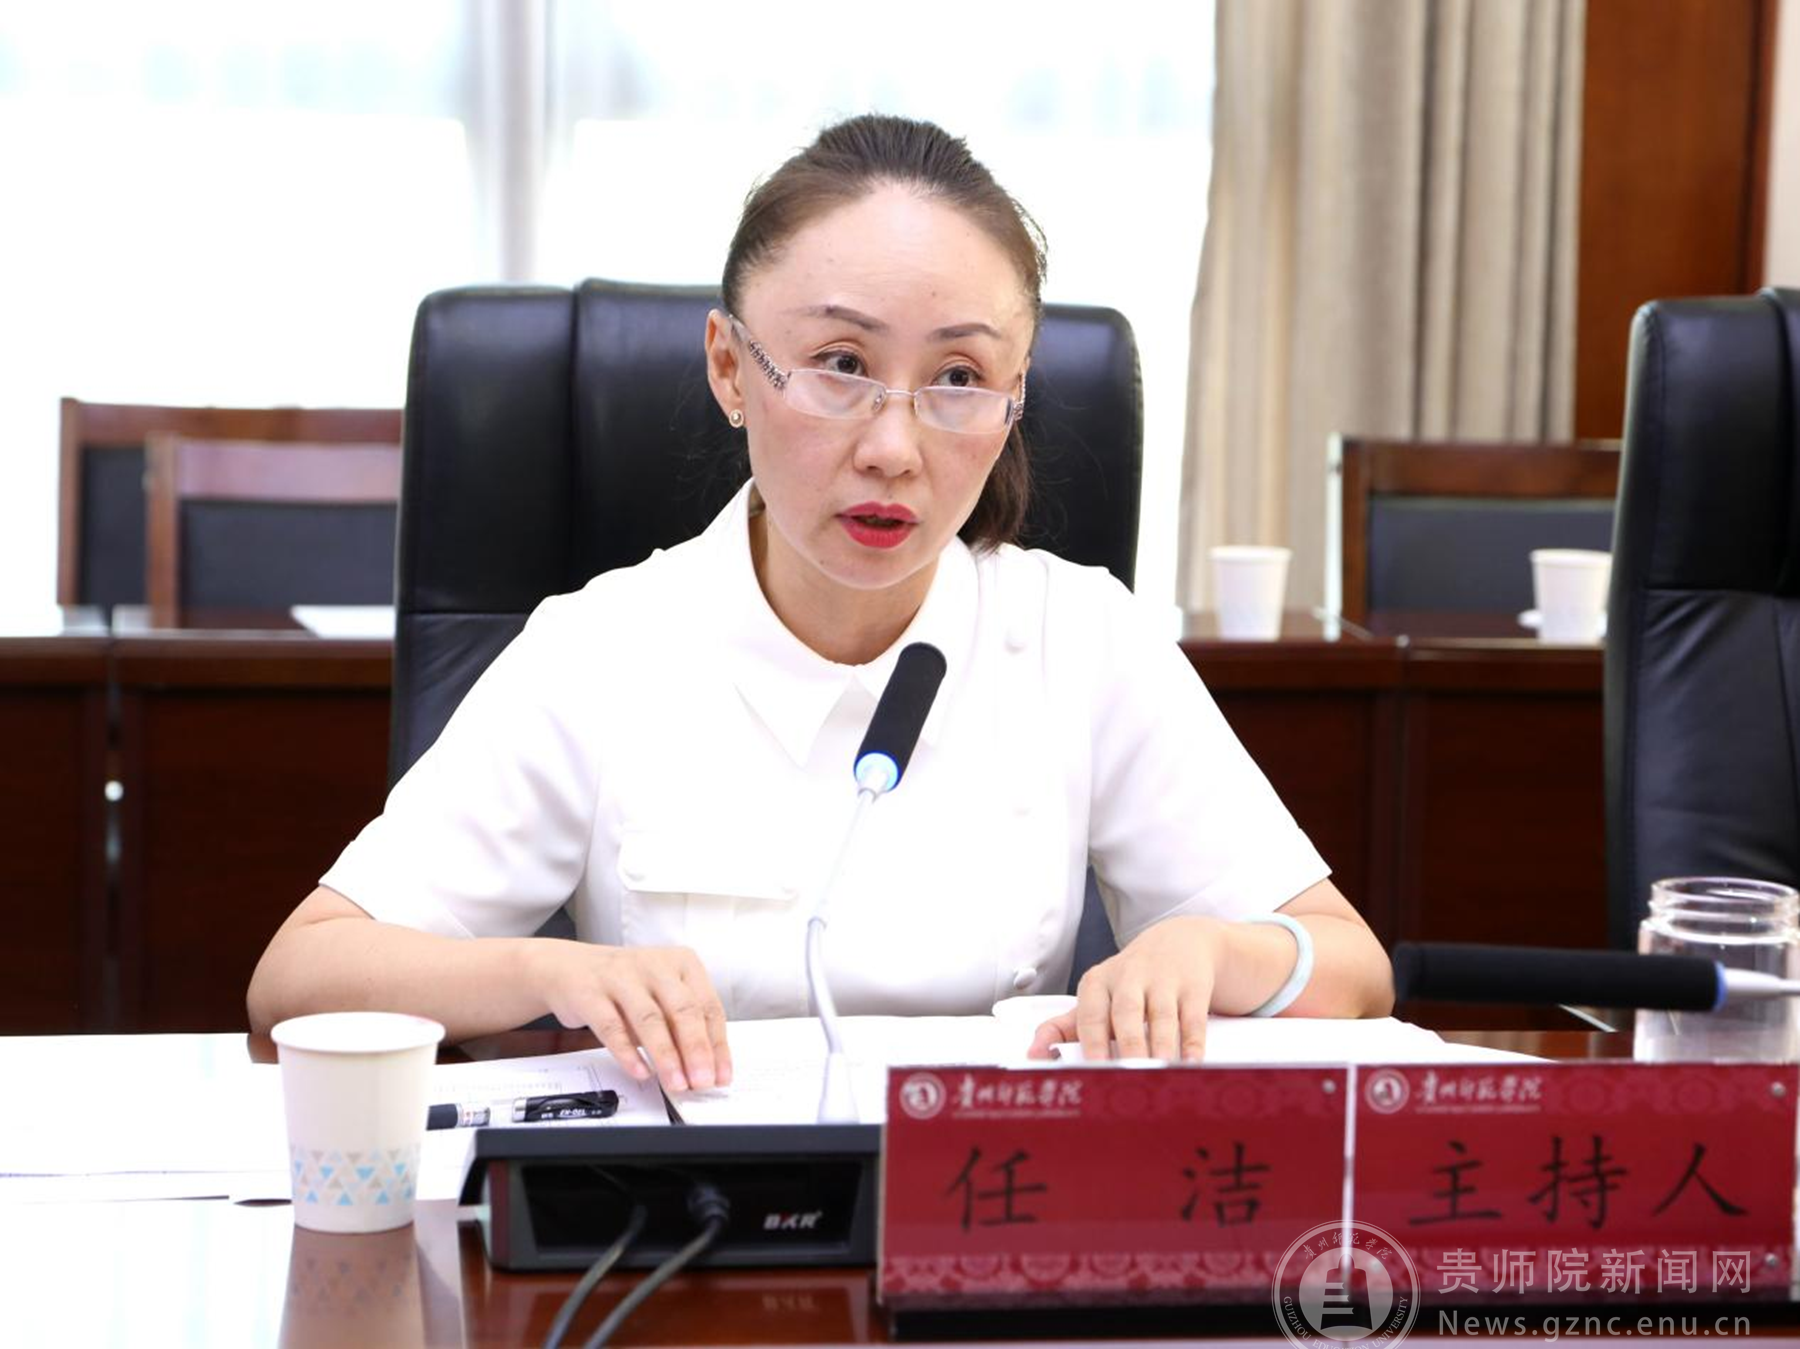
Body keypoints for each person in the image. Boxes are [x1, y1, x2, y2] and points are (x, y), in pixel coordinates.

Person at [247, 114, 1393, 1095]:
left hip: (986, 1216)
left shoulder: (1081, 639)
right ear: (730, 367)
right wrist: (550, 972)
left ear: (1015, 399)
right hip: (685, 1227)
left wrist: (1216, 952)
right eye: (841, 363)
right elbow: (296, 979)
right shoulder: (604, 646)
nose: (894, 446)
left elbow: (1351, 965)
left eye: (959, 378)